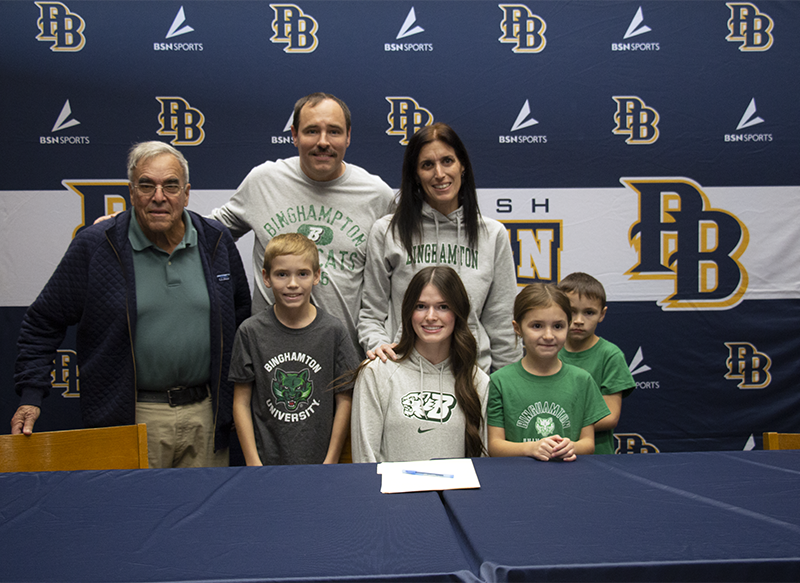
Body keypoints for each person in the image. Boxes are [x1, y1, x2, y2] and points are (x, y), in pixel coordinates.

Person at [12, 141, 251, 468]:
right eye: (146, 185)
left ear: (186, 193)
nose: (158, 196)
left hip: (207, 420)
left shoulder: (216, 241)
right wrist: (30, 396)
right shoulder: (98, 245)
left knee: (207, 517)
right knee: (132, 517)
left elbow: (241, 322)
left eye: (170, 185)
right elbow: (42, 322)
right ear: (131, 192)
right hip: (131, 418)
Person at [210, 93, 395, 356]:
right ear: (294, 135)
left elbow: (401, 269)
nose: (323, 142)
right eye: (311, 131)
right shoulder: (263, 181)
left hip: (343, 359)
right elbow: (207, 235)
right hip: (269, 356)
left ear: (348, 136)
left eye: (334, 131)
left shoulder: (377, 195)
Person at [358, 122, 520, 373]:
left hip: (472, 376)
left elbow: (502, 324)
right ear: (415, 174)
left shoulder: (492, 235)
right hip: (403, 375)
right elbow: (371, 315)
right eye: (427, 165)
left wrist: (506, 387)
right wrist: (380, 350)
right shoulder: (388, 231)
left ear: (462, 165)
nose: (439, 174)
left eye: (447, 161)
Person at [229, 233, 359, 465]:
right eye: (281, 274)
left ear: (316, 276)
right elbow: (240, 402)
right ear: (266, 278)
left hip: (320, 463)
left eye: (302, 274)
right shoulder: (250, 332)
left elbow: (345, 400)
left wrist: (331, 460)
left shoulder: (334, 331)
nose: (292, 283)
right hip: (266, 463)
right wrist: (252, 461)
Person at [351, 266, 489, 463]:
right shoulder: (376, 372)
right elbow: (364, 460)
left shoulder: (477, 381)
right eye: (421, 306)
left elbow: (482, 464)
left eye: (443, 307)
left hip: (455, 494)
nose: (431, 316)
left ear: (458, 312)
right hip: (392, 493)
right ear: (408, 312)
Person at [487, 283, 609, 461]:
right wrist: (531, 448)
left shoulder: (582, 380)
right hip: (518, 479)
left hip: (568, 480)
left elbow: (588, 443)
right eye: (537, 326)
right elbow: (495, 446)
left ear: (568, 326)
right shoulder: (500, 381)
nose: (549, 335)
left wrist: (571, 446)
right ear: (517, 328)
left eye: (558, 326)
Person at [556, 272, 635, 454]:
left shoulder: (610, 355)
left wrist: (557, 423)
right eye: (571, 311)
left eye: (589, 312)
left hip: (595, 455)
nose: (578, 321)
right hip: (550, 452)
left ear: (602, 314)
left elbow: (610, 416)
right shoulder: (547, 350)